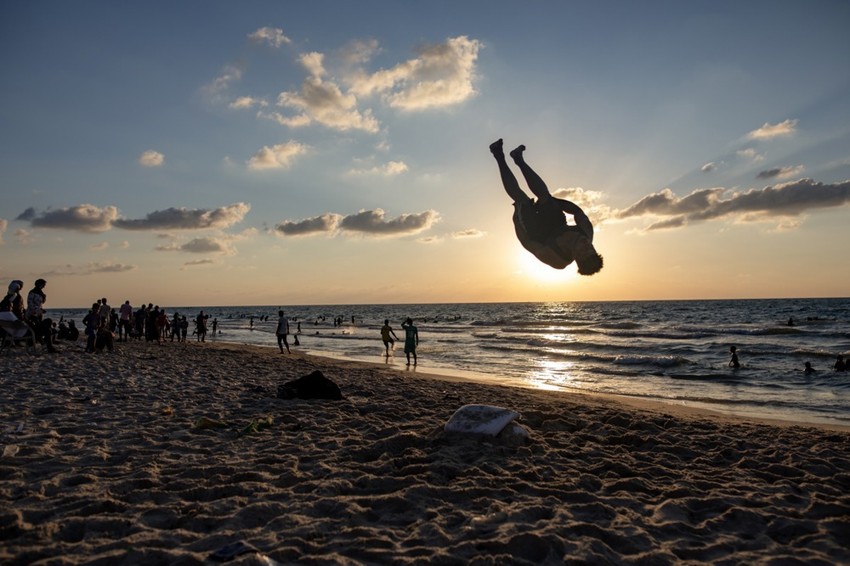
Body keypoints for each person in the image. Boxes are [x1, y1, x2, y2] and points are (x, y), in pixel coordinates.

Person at [490, 139, 603, 274]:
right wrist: (552, 201)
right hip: (556, 222)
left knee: (523, 200)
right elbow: (577, 211)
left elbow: (527, 243)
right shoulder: (586, 232)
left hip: (536, 232)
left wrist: (517, 220)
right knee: (544, 195)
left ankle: (498, 154)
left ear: (577, 257)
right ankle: (518, 159)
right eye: (591, 248)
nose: (587, 245)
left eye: (584, 251)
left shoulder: (557, 259)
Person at [25, 278, 58, 353]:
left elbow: (40, 303)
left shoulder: (40, 293)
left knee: (48, 328)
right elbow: (30, 305)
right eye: (43, 285)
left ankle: (47, 345)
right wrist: (39, 310)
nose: (44, 287)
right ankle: (48, 346)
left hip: (38, 315)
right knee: (47, 326)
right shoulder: (32, 292)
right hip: (32, 315)